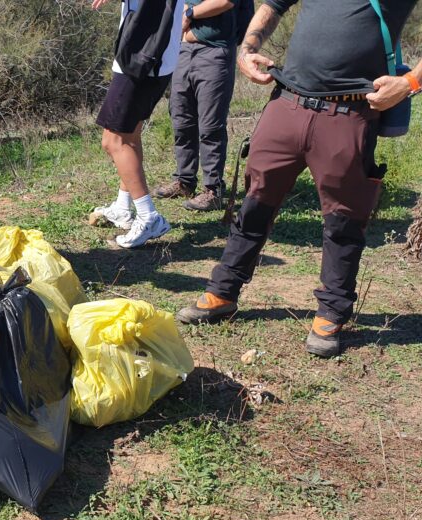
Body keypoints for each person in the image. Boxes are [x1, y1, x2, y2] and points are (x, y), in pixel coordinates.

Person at [175, 0, 421, 357]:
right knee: (254, 203)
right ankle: (223, 291)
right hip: (286, 104)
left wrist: (410, 82)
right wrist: (247, 49)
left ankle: (331, 311)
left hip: (348, 112)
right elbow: (272, 5)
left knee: (343, 220)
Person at [90, 0, 186, 249]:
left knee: (114, 141)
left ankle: (149, 217)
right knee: (130, 136)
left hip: (143, 55)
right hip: (150, 54)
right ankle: (124, 206)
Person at [151, 0, 241, 211]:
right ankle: (184, 181)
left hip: (214, 51)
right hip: (183, 50)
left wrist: (189, 13)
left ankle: (213, 190)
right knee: (181, 119)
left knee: (210, 126)